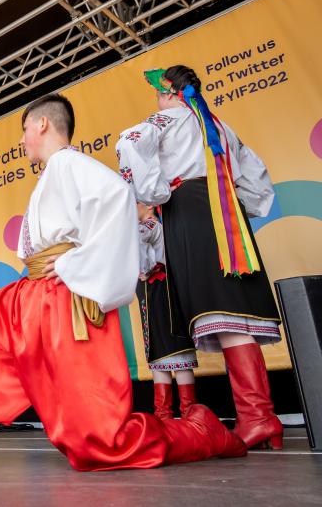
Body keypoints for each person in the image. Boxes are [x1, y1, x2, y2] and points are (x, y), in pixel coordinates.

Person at [0, 94, 246, 471]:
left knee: (102, 445)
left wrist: (77, 261)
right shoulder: (54, 173)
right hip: (31, 295)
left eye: (24, 130)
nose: (23, 140)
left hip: (64, 301)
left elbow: (117, 195)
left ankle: (202, 430)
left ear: (42, 125)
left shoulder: (69, 163)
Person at [117, 65, 282, 449]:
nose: (157, 99)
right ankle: (261, 417)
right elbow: (256, 179)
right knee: (232, 309)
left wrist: (154, 193)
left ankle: (258, 418)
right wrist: (241, 208)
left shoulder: (167, 119)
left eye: (159, 92)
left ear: (171, 91)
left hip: (190, 211)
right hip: (227, 216)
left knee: (220, 310)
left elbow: (129, 140)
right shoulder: (220, 126)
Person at [135, 203, 197, 420]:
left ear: (149, 206)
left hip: (162, 289)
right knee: (157, 350)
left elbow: (136, 241)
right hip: (150, 291)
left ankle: (188, 413)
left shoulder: (151, 225)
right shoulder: (144, 226)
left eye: (134, 204)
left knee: (174, 346)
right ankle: (164, 415)